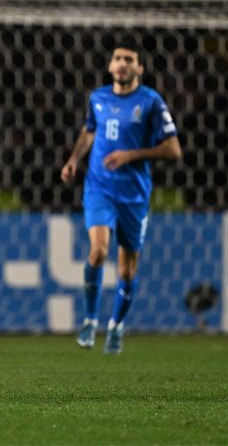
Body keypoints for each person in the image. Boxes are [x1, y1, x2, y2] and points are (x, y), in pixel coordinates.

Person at [61, 41, 181, 354]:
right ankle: (89, 321)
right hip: (100, 188)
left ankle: (116, 325)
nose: (122, 63)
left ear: (139, 68)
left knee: (127, 268)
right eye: (118, 58)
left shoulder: (151, 101)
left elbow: (173, 149)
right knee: (98, 251)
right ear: (111, 65)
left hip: (134, 195)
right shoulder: (97, 98)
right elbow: (89, 131)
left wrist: (133, 154)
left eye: (129, 59)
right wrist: (74, 159)